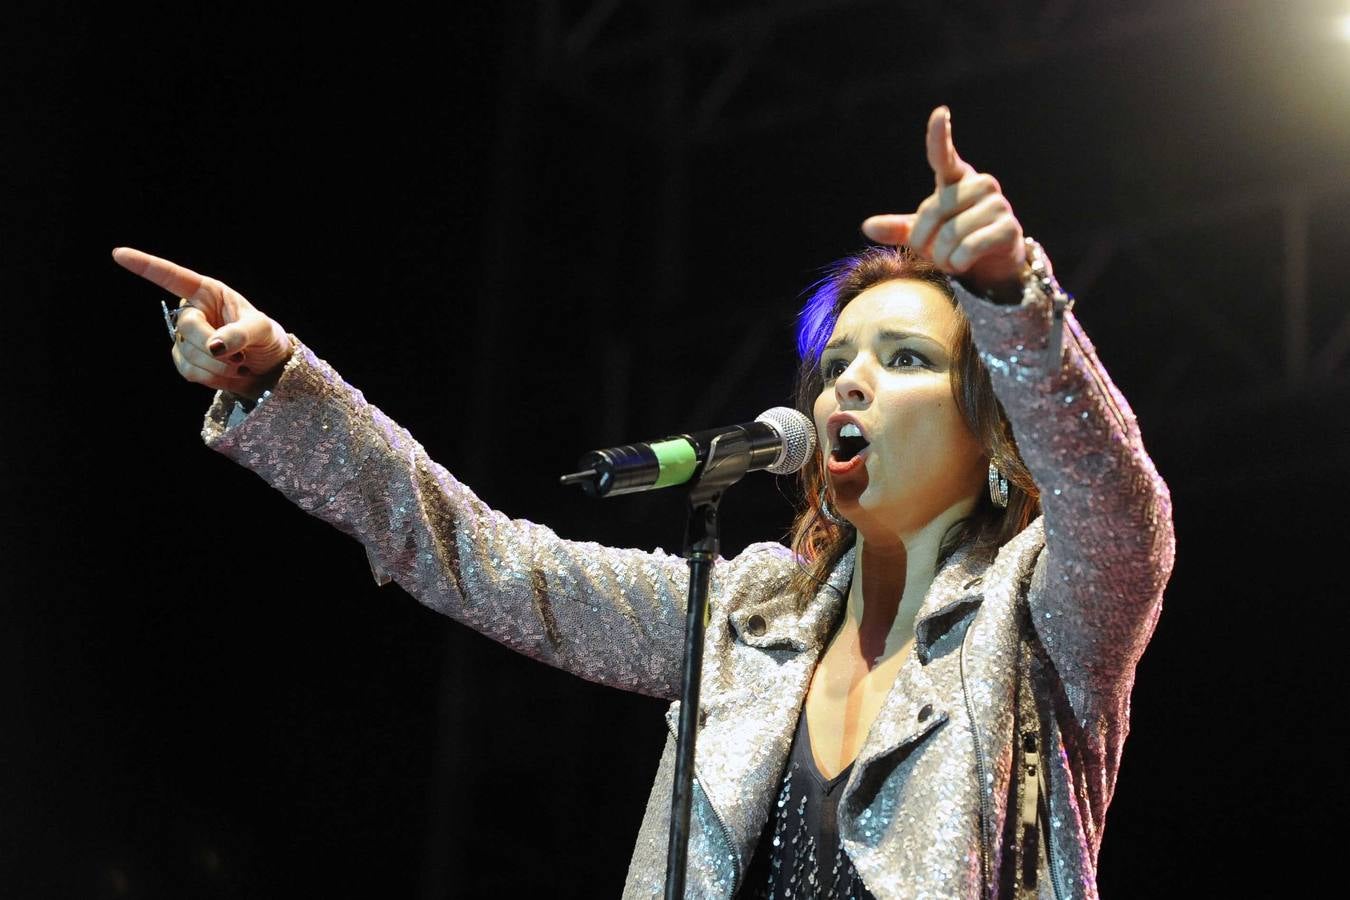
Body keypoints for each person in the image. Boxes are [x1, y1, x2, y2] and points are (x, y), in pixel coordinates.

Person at [114, 106, 1175, 899]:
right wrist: (278, 381)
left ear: (992, 432)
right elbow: (485, 560)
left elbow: (1117, 505)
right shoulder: (746, 613)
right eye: (838, 359)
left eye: (903, 361)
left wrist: (1010, 299)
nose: (847, 382)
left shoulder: (1039, 620)